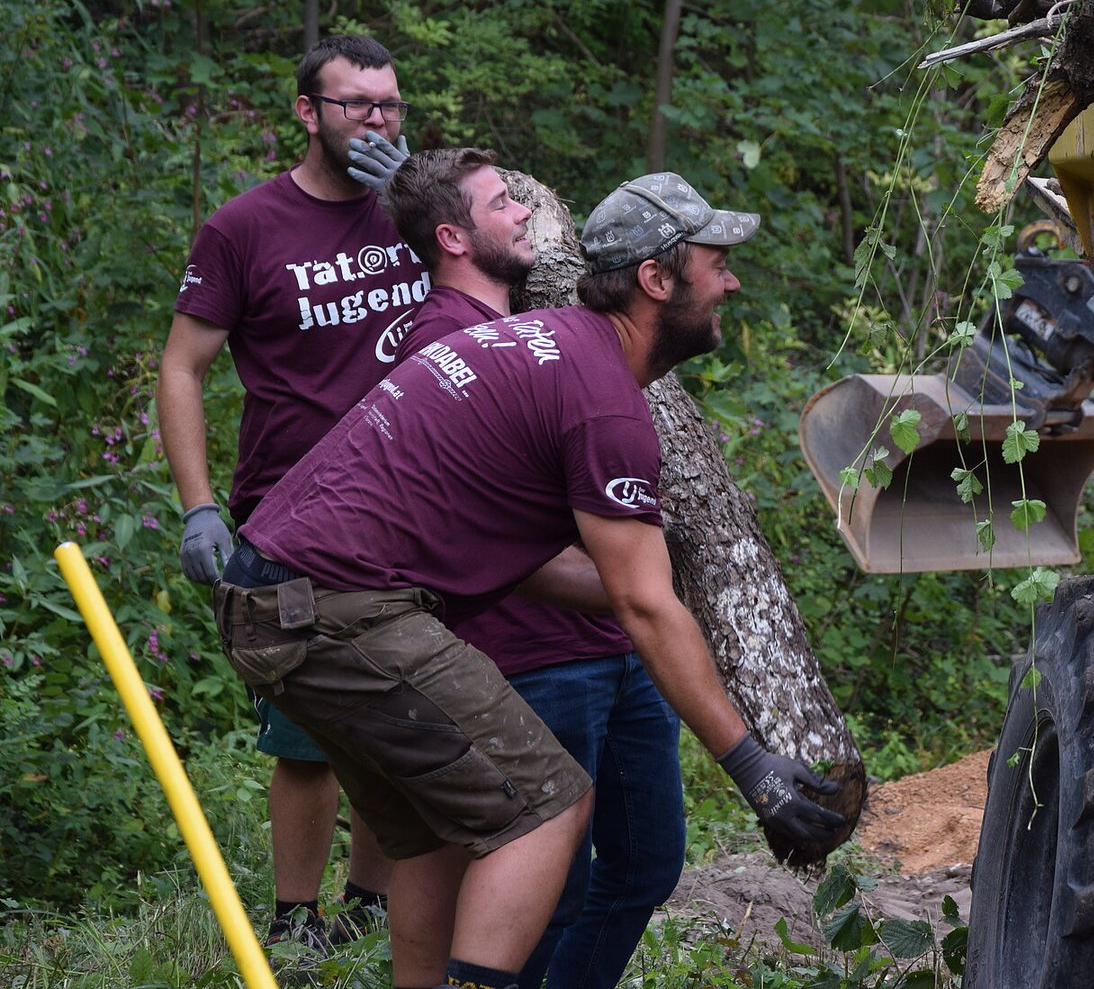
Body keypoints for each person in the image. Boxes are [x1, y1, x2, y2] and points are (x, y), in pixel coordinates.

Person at [210, 162, 846, 989]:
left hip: (275, 592)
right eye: (715, 265)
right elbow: (643, 606)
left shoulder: (548, 347)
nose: (731, 283)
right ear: (656, 281)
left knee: (440, 835)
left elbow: (590, 580)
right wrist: (751, 766)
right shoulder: (601, 400)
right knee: (547, 803)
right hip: (333, 605)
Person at [387, 148, 684, 989]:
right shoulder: (436, 342)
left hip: (621, 644)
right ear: (453, 237)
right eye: (501, 203)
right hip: (532, 656)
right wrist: (626, 584)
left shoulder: (550, 321)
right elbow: (461, 527)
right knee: (552, 886)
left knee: (646, 866)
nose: (525, 212)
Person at [156, 33, 418, 954]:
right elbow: (182, 367)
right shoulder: (245, 228)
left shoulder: (420, 210)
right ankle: (295, 922)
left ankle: (370, 906)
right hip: (297, 514)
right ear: (308, 112)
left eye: (391, 105)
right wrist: (198, 505)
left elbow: (518, 279)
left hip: (422, 507)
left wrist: (418, 196)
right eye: (358, 105)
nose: (378, 122)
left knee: (402, 720)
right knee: (309, 735)